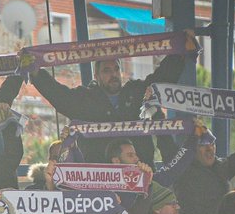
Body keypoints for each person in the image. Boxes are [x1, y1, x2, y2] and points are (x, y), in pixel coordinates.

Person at [28, 34, 195, 164]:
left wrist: (179, 52)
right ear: (96, 75)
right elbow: (58, 95)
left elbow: (162, 79)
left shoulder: (137, 92)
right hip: (101, 180)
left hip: (142, 175)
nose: (113, 74)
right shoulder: (84, 99)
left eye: (116, 69)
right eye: (107, 70)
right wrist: (34, 69)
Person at [175, 130, 235, 214]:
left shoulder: (223, 167)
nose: (209, 148)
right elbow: (166, 148)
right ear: (193, 149)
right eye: (203, 145)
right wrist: (160, 118)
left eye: (212, 144)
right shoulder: (182, 169)